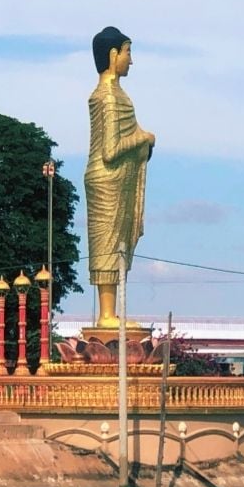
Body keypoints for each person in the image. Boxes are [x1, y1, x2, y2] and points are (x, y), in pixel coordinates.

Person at [85, 26, 156, 328]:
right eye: (128, 52)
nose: (131, 60)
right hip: (107, 179)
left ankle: (110, 314)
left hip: (114, 179)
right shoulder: (108, 97)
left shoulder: (117, 94)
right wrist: (144, 138)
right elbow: (111, 150)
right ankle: (106, 316)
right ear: (113, 55)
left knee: (118, 243)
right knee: (108, 244)